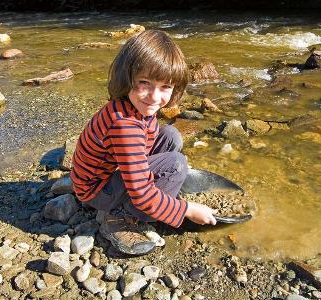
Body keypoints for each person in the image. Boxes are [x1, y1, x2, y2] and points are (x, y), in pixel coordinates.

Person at [70, 29, 216, 256]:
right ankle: (122, 215)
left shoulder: (134, 106)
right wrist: (186, 209)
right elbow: (140, 191)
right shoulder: (125, 125)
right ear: (126, 78)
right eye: (144, 83)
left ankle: (153, 198)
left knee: (170, 135)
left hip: (109, 173)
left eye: (165, 86)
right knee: (176, 164)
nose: (155, 97)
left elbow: (143, 146)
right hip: (96, 192)